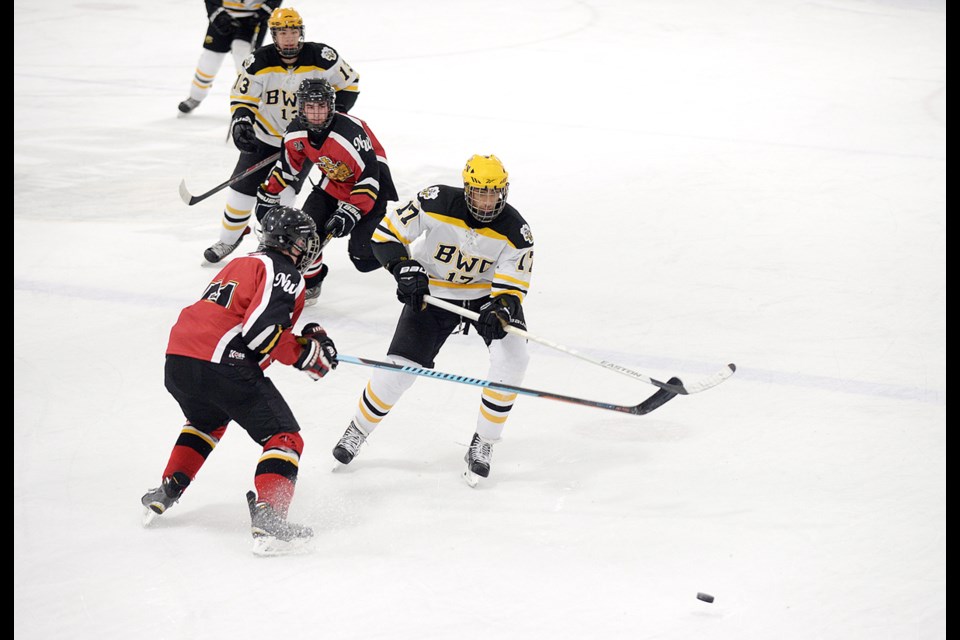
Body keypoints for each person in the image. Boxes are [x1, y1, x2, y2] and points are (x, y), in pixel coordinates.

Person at [141, 206, 339, 555]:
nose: (309, 248)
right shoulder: (284, 272)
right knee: (284, 437)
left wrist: (306, 344)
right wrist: (305, 355)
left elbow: (242, 320)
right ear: (290, 243)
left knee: (206, 421)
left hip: (179, 360)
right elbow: (261, 333)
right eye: (305, 240)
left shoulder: (243, 262)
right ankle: (270, 514)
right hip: (221, 361)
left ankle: (168, 488)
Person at [330, 155, 534, 486]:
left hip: (486, 297)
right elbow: (385, 236)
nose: (488, 201)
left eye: (494, 193)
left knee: (514, 358)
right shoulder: (435, 200)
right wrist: (402, 267)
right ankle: (358, 428)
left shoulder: (516, 231)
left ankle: (484, 442)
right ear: (467, 190)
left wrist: (502, 308)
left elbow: (512, 287)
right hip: (434, 292)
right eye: (481, 193)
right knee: (398, 368)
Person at [202, 6, 361, 265]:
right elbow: (243, 97)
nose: (289, 38)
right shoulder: (259, 61)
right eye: (282, 32)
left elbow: (350, 85)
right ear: (274, 35)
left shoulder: (322, 56)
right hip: (264, 137)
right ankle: (229, 239)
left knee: (283, 199)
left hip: (301, 142)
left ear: (301, 32)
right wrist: (242, 121)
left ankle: (272, 248)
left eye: (294, 31)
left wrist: (332, 116)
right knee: (240, 193)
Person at [254, 78, 398, 305]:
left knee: (363, 258)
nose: (316, 114)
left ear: (331, 107)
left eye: (321, 106)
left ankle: (398, 245)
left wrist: (351, 211)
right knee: (305, 232)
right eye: (310, 107)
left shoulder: (349, 134)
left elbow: (370, 177)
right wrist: (268, 193)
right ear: (301, 108)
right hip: (333, 184)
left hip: (372, 188)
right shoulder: (295, 133)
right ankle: (311, 284)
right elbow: (288, 166)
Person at [177, 1, 283, 115]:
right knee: (210, 58)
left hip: (252, 18)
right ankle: (196, 96)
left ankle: (250, 100)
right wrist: (216, 12)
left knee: (243, 56)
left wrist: (266, 9)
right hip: (223, 14)